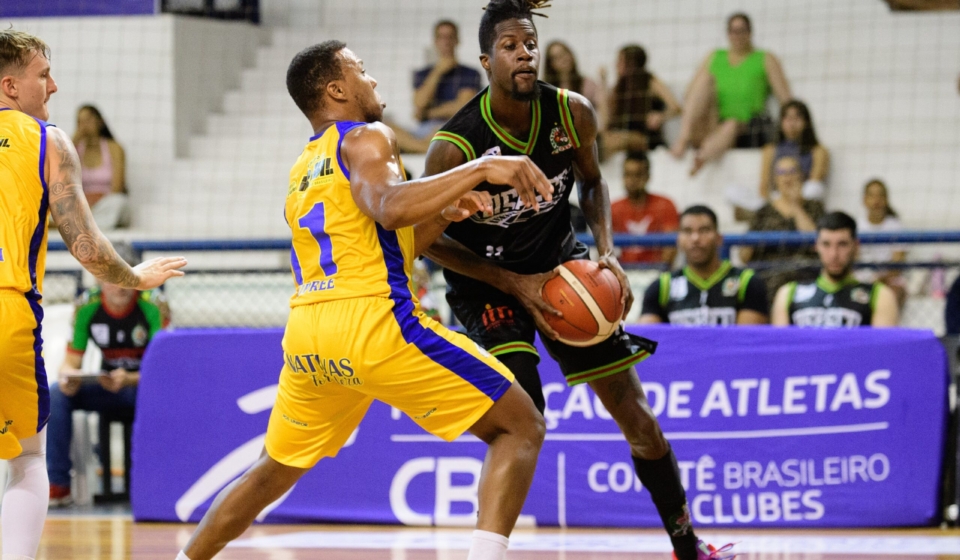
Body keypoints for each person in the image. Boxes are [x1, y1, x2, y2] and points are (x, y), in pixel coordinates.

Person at [177, 40, 554, 560]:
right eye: (362, 70)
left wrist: (444, 211)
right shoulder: (367, 136)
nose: (373, 81)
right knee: (522, 425)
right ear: (336, 88)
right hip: (374, 322)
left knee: (272, 471)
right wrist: (479, 169)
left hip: (309, 334)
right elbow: (389, 207)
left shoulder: (304, 165)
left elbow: (387, 240)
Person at [423, 2, 733, 559]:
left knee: (637, 417)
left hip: (564, 269)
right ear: (486, 59)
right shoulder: (455, 145)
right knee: (523, 416)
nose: (526, 53)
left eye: (531, 44)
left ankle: (689, 546)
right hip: (488, 286)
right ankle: (487, 550)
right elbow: (427, 240)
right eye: (512, 46)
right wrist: (513, 284)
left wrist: (608, 254)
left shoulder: (573, 114)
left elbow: (592, 184)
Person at [0, 28, 186, 560]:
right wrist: (135, 277)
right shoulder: (46, 140)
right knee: (27, 460)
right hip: (6, 309)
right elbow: (86, 245)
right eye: (43, 75)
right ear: (11, 86)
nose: (54, 86)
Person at [46, 245, 170, 506]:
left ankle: (159, 485)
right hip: (106, 385)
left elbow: (166, 369)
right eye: (111, 276)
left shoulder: (155, 304)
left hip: (145, 388)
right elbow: (70, 362)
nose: (119, 285)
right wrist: (70, 377)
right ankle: (58, 486)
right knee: (57, 394)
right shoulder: (86, 306)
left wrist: (131, 379)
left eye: (126, 276)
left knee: (166, 398)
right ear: (98, 278)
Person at [669, 12, 791, 175]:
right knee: (705, 83)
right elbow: (690, 94)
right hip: (713, 121)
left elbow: (786, 99)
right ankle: (683, 138)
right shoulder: (715, 56)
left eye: (742, 31)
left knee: (731, 124)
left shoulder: (765, 58)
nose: (737, 36)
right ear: (728, 34)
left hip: (747, 126)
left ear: (750, 32)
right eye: (733, 31)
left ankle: (702, 157)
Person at [639, 205, 768, 325]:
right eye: (687, 231)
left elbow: (746, 343)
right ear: (679, 239)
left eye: (704, 230)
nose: (695, 238)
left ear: (719, 238)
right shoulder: (661, 286)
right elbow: (644, 341)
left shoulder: (747, 282)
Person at [771, 212, 899, 327]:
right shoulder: (789, 293)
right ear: (816, 246)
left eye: (842, 244)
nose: (834, 254)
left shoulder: (878, 295)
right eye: (826, 244)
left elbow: (882, 350)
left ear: (855, 246)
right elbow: (781, 349)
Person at [393, 20, 482, 154]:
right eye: (441, 37)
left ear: (457, 40)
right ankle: (426, 148)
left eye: (449, 37)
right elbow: (419, 103)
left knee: (443, 130)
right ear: (435, 41)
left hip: (453, 128)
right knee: (387, 128)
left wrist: (427, 113)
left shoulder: (469, 73)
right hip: (424, 132)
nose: (445, 42)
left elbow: (462, 109)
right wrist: (438, 71)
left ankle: (420, 147)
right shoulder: (422, 74)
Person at [603, 44, 682, 157]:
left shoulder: (649, 82)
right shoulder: (619, 87)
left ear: (632, 63)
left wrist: (660, 116)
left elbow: (676, 108)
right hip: (622, 135)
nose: (616, 65)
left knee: (610, 140)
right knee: (599, 139)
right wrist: (603, 82)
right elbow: (608, 120)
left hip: (646, 137)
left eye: (621, 61)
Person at [610, 152, 679, 265]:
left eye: (637, 174)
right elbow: (604, 249)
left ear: (647, 176)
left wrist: (659, 272)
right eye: (627, 174)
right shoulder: (614, 208)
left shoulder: (664, 205)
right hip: (624, 271)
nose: (632, 180)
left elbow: (670, 249)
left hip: (656, 270)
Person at [72, 104, 128, 229]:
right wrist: (73, 141)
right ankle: (86, 222)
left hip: (105, 203)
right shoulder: (74, 150)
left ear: (100, 122)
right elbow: (60, 176)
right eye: (80, 121)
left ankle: (81, 224)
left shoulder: (114, 148)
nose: (84, 125)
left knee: (118, 202)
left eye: (88, 120)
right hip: (83, 203)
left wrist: (95, 201)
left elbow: (118, 188)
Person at [856, 178, 907, 303]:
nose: (876, 200)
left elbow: (897, 264)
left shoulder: (896, 226)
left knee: (894, 292)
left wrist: (880, 279)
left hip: (889, 280)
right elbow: (853, 261)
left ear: (886, 200)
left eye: (880, 195)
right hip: (861, 280)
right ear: (864, 200)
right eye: (872, 195)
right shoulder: (856, 226)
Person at [542, 41, 603, 118]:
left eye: (564, 53)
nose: (563, 59)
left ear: (570, 54)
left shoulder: (587, 84)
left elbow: (604, 118)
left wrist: (603, 82)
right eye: (557, 57)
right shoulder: (545, 89)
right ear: (551, 64)